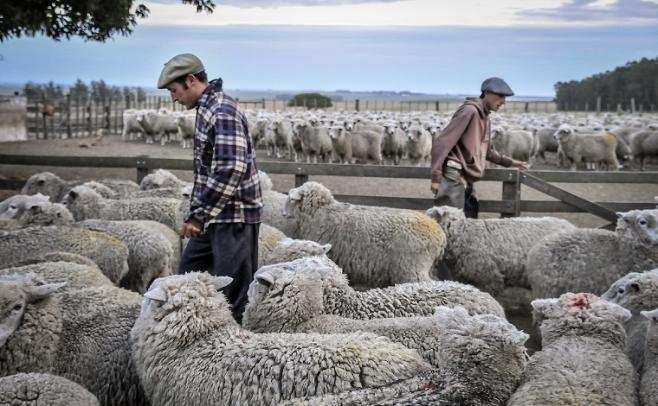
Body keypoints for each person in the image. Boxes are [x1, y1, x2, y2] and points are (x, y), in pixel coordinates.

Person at [157, 53, 263, 323]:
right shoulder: (207, 108)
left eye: (174, 90)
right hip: (216, 213)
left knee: (232, 291)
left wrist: (199, 215)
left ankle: (233, 352)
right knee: (189, 275)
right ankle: (194, 338)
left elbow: (231, 168)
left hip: (233, 215)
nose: (174, 98)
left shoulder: (222, 110)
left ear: (191, 80)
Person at [430, 77, 528, 218]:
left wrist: (511, 163)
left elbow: (487, 152)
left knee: (470, 215)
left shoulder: (485, 117)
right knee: (449, 222)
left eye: (505, 98)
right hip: (454, 174)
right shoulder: (470, 111)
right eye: (500, 96)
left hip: (466, 176)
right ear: (487, 93)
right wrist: (436, 177)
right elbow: (443, 142)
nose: (503, 102)